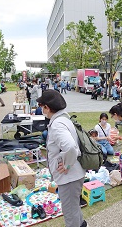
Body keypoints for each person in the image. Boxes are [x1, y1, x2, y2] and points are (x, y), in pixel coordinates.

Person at [36, 90, 87, 227]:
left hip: (70, 176)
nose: (41, 109)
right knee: (73, 207)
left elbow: (70, 147)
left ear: (47, 107)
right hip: (73, 174)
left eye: (41, 105)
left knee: (70, 211)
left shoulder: (57, 124)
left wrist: (67, 165)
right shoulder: (64, 118)